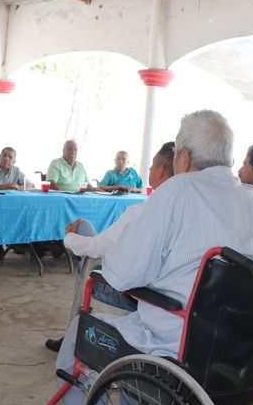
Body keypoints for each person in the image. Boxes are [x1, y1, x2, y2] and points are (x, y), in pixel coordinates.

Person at [55, 110, 253, 405]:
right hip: (246, 352)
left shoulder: (178, 190)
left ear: (184, 156)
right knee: (142, 322)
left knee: (84, 330)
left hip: (184, 349)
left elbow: (125, 274)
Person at [44, 142, 175, 352]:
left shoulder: (142, 211)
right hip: (162, 293)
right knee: (85, 230)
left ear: (161, 171)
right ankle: (72, 332)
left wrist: (68, 238)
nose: (148, 169)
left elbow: (98, 247)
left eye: (152, 164)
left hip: (137, 294)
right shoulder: (188, 212)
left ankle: (72, 334)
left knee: (87, 265)